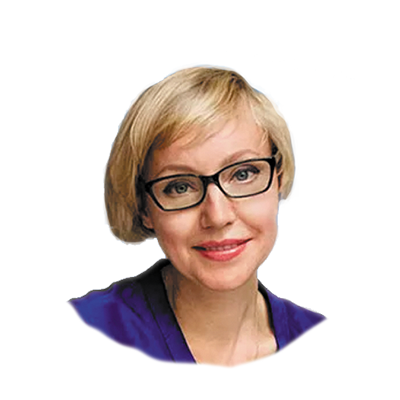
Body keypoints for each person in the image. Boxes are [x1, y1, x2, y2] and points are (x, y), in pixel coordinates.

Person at [67, 65, 328, 368]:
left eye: (243, 174)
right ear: (143, 207)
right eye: (179, 186)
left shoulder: (328, 348)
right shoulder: (76, 338)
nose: (217, 216)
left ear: (278, 180)